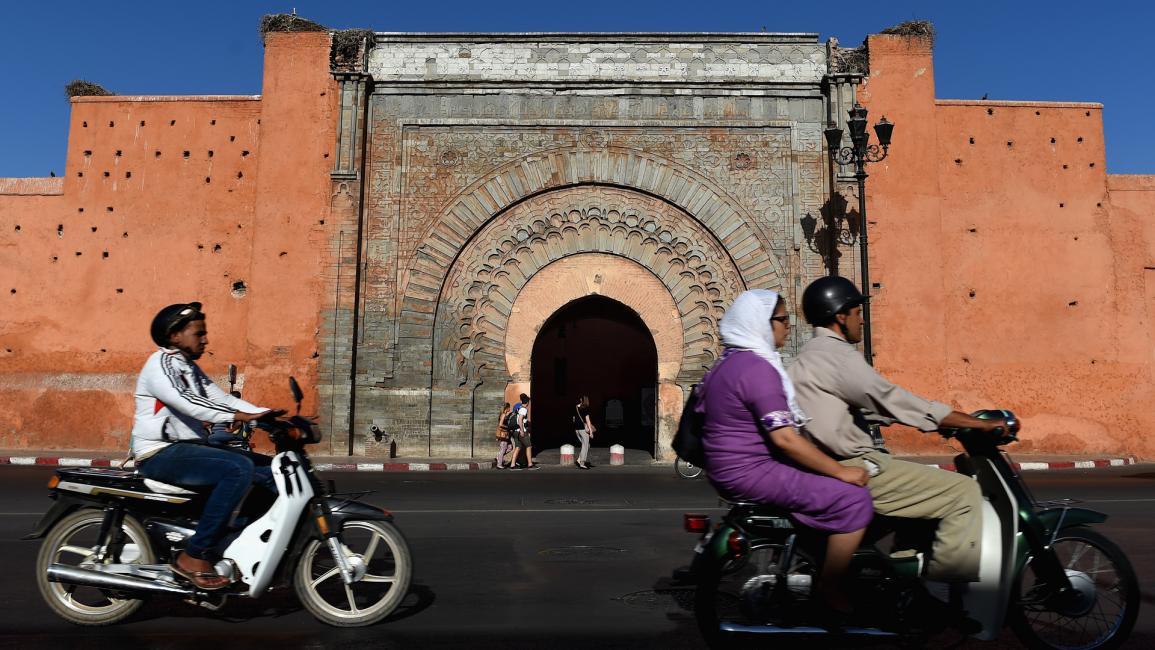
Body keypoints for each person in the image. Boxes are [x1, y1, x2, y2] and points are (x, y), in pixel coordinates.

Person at [788, 276, 1010, 583]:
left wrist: (903, 420)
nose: (861, 320)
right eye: (856, 312)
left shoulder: (804, 359)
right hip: (856, 467)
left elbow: (852, 407)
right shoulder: (838, 357)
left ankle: (903, 580)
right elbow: (894, 400)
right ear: (840, 316)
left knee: (919, 503)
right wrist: (975, 423)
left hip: (823, 467)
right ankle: (949, 590)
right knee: (963, 491)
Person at [698, 289, 872, 614]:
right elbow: (785, 440)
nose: (788, 327)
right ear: (760, 324)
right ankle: (830, 586)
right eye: (781, 319)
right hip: (751, 471)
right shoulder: (756, 369)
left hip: (728, 468)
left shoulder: (727, 364)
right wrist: (841, 471)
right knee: (853, 498)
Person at [131, 302, 283, 590]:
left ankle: (234, 540)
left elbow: (220, 398)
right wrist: (242, 416)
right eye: (198, 333)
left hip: (187, 449)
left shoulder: (188, 367)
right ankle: (194, 555)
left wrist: (265, 415)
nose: (205, 340)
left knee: (273, 470)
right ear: (175, 335)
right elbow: (189, 403)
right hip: (159, 452)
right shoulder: (160, 365)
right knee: (238, 468)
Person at [506, 394, 539, 470]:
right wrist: (522, 430)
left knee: (518, 447)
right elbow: (520, 420)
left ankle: (513, 465)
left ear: (521, 401)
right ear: (527, 402)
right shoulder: (523, 409)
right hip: (521, 431)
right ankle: (530, 465)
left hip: (515, 432)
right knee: (529, 446)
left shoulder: (519, 408)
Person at [573, 395, 596, 469]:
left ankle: (579, 460)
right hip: (584, 429)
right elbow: (588, 420)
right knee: (585, 446)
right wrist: (591, 432)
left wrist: (575, 429)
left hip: (577, 429)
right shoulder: (585, 408)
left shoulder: (576, 407)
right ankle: (582, 463)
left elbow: (573, 419)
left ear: (580, 400)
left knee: (586, 445)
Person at [494, 402, 513, 469]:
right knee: (503, 449)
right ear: (507, 408)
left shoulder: (504, 414)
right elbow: (500, 424)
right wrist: (508, 427)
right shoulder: (503, 415)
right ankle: (499, 465)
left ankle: (498, 457)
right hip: (504, 435)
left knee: (510, 447)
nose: (510, 408)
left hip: (506, 435)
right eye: (509, 407)